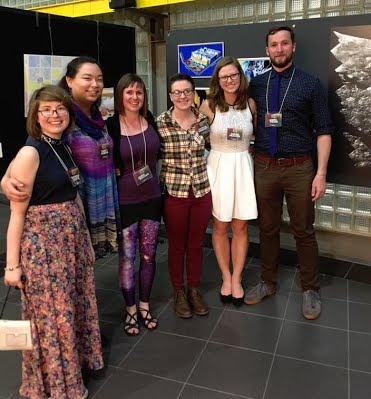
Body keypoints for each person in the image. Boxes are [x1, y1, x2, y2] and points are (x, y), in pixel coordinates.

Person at [4, 85, 103, 398]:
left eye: (59, 108)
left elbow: (72, 191)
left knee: (69, 310)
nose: (54, 115)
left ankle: (74, 369)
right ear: (35, 114)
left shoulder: (63, 145)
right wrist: (11, 266)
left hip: (68, 242)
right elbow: (16, 216)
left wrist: (84, 237)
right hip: (43, 248)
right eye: (46, 109)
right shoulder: (30, 152)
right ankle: (58, 385)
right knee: (52, 317)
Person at [245, 26, 334, 320]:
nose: (279, 49)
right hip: (264, 166)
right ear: (267, 50)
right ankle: (267, 282)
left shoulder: (311, 84)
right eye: (273, 45)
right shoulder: (256, 84)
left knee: (303, 231)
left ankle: (310, 289)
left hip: (299, 168)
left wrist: (320, 173)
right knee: (267, 228)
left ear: (293, 47)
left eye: (284, 43)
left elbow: (324, 131)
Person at [1, 56, 120, 259]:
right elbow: (34, 146)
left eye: (99, 79)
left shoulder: (96, 116)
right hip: (74, 205)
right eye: (87, 78)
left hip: (99, 200)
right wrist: (6, 178)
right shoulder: (62, 117)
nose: (95, 84)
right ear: (70, 81)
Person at [199, 56, 258, 307]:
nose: (230, 80)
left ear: (240, 77)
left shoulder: (251, 105)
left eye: (234, 75)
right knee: (221, 227)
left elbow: (255, 136)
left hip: (243, 167)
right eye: (224, 77)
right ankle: (225, 277)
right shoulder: (208, 106)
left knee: (241, 227)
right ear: (217, 80)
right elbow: (197, 140)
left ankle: (237, 278)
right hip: (219, 167)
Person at [106, 73, 161, 335]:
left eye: (138, 92)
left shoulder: (149, 119)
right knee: (127, 259)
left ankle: (144, 305)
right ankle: (129, 310)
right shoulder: (110, 126)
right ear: (120, 96)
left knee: (149, 256)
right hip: (125, 201)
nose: (134, 97)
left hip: (151, 198)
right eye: (128, 92)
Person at [157, 73, 212, 319]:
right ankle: (178, 291)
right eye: (177, 92)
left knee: (196, 244)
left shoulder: (203, 121)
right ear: (170, 96)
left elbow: (212, 148)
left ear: (193, 94)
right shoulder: (160, 123)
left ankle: (194, 289)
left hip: (201, 191)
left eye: (187, 91)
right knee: (177, 245)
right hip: (174, 194)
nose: (182, 96)